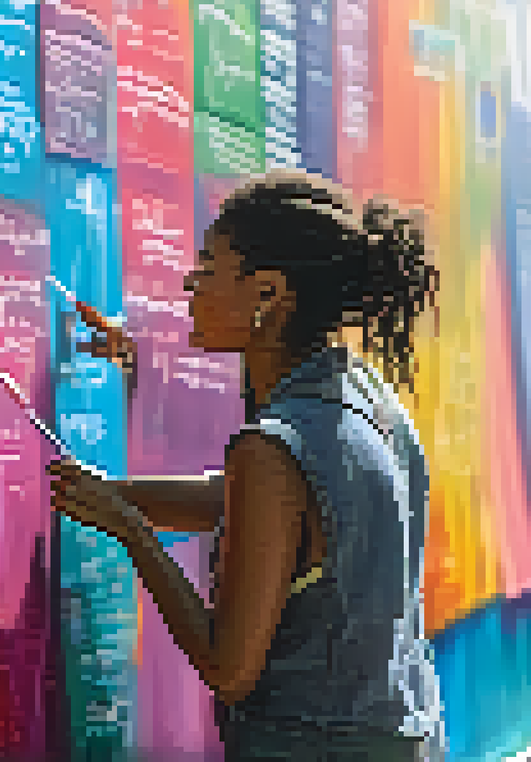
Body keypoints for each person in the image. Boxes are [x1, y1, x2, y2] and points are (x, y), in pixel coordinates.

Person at [48, 170, 446, 761]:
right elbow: (245, 504)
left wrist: (132, 531)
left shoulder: (272, 448)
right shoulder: (367, 400)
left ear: (267, 294)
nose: (189, 282)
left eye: (208, 268)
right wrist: (112, 493)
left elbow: (229, 669)